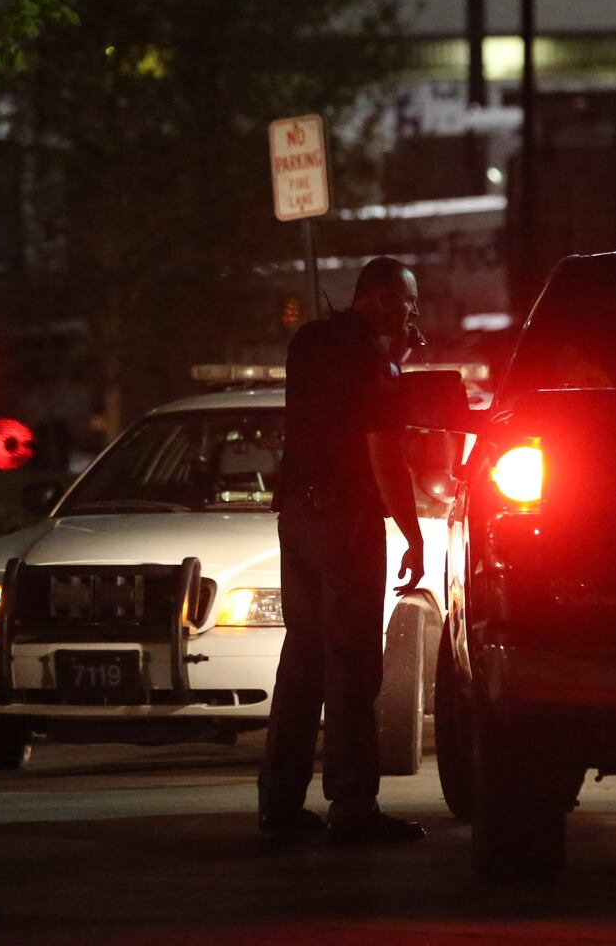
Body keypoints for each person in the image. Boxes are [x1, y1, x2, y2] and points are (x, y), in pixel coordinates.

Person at [257, 255, 428, 844]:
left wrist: (394, 360)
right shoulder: (374, 361)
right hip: (348, 519)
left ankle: (279, 804)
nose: (413, 312)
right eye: (408, 301)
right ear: (381, 299)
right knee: (353, 663)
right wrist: (412, 533)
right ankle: (353, 807)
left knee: (302, 660)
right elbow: (384, 453)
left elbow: (327, 408)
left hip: (298, 515)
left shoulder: (308, 342)